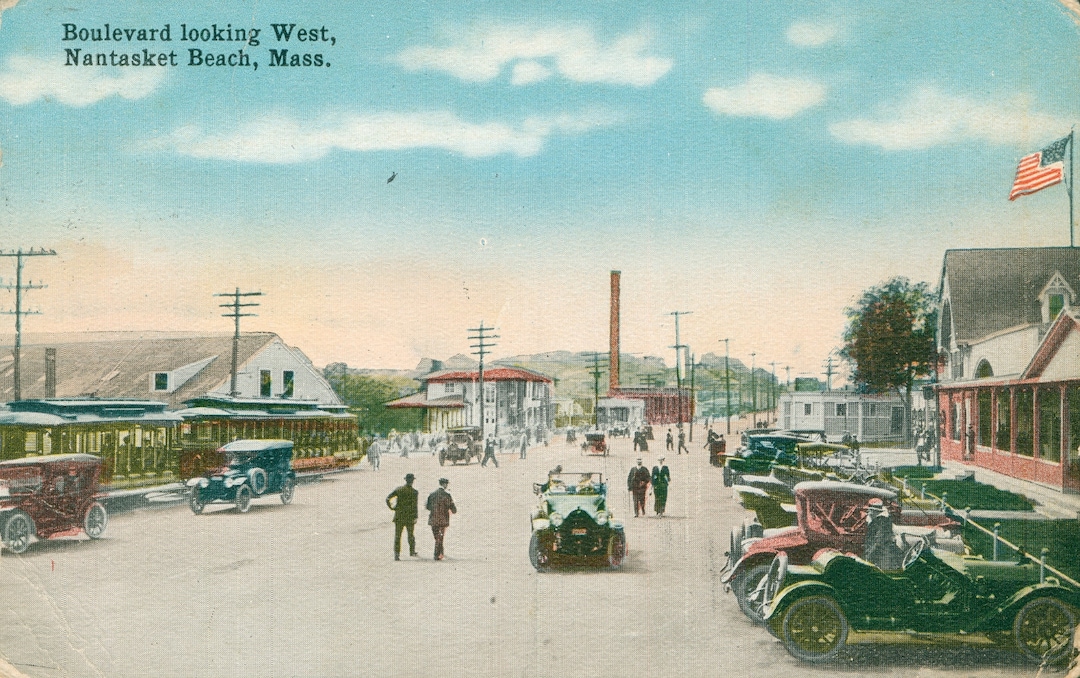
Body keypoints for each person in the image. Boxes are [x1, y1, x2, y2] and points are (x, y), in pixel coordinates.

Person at [386, 474, 419, 560]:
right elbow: (415, 506)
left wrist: (392, 508)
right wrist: (416, 517)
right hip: (409, 517)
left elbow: (387, 498)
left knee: (397, 536)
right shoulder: (414, 492)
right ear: (412, 481)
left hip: (399, 516)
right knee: (411, 535)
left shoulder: (399, 489)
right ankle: (412, 551)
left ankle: (396, 555)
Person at [426, 477, 457, 560]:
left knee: (437, 536)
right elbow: (454, 510)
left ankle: (440, 552)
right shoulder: (447, 495)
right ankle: (436, 554)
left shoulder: (432, 494)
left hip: (433, 519)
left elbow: (428, 507)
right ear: (445, 484)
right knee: (440, 536)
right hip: (443, 520)